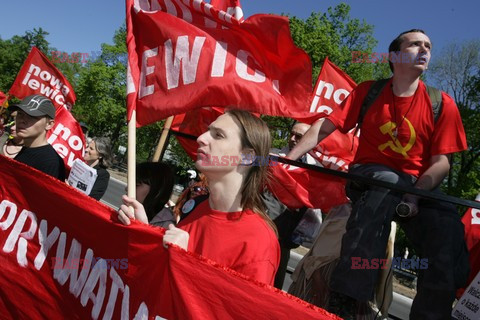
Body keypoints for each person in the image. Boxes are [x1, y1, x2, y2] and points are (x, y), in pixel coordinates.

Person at [288, 29, 469, 318]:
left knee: (447, 226)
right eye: (415, 44)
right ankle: (347, 298)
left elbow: (441, 163)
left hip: (418, 184)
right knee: (384, 186)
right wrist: (289, 158)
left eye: (429, 46)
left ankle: (432, 314)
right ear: (395, 56)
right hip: (372, 176)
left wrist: (414, 196)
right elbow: (325, 127)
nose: (424, 50)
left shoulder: (442, 103)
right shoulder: (368, 91)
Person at [118, 110, 280, 285]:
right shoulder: (195, 208)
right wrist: (145, 231)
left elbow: (235, 311)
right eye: (207, 131)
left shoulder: (259, 242)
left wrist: (184, 261)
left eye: (218, 135)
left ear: (248, 157)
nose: (201, 138)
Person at [262, 121, 322, 289]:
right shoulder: (272, 156)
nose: (293, 139)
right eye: (292, 134)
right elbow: (246, 161)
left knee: (273, 287)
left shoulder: (316, 169)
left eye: (299, 136)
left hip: (285, 240)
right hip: (263, 227)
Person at [12, 94, 65, 180]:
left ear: (49, 124)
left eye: (32, 116)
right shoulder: (27, 149)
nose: (22, 120)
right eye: (20, 114)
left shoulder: (50, 162)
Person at [135, 161, 175, 228]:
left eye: (137, 184)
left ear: (157, 190)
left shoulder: (168, 226)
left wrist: (142, 226)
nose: (127, 188)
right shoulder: (128, 211)